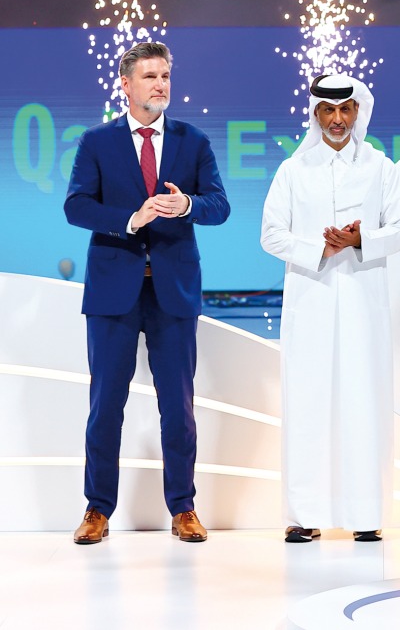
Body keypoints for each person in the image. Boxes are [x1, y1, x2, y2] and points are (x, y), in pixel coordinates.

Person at [64, 41, 231, 546]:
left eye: (166, 76)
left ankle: (183, 508)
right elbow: (76, 207)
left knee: (177, 407)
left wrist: (186, 206)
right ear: (127, 85)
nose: (161, 85)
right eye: (151, 76)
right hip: (114, 291)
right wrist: (128, 220)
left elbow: (219, 206)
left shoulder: (192, 140)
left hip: (173, 291)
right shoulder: (97, 142)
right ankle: (97, 509)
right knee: (105, 405)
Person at [261, 74, 400, 545]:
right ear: (316, 115)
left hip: (364, 305)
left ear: (357, 113)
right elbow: (270, 235)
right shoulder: (294, 169)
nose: (338, 119)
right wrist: (319, 249)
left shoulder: (380, 167)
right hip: (311, 302)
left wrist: (361, 239)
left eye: (346, 110)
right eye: (328, 111)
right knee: (308, 404)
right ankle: (304, 515)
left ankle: (366, 514)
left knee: (363, 402)